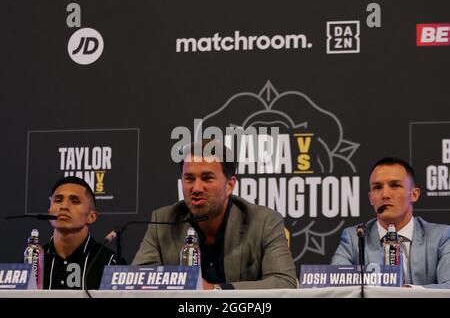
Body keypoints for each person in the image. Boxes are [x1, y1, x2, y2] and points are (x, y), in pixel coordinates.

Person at [132, 140, 297, 289]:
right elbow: (138, 279)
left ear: (230, 185)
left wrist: (215, 291)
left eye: (207, 178)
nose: (196, 188)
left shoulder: (263, 221)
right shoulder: (163, 221)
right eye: (189, 179)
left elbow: (284, 282)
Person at [331, 157, 450, 288]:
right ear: (371, 198)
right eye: (377, 187)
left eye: (395, 185)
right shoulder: (355, 237)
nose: (385, 194)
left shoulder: (441, 237)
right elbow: (336, 287)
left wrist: (405, 293)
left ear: (414, 195)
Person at [44, 176, 120, 290]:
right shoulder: (32, 261)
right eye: (58, 200)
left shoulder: (110, 262)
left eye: (75, 201)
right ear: (49, 213)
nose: (64, 206)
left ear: (91, 216)